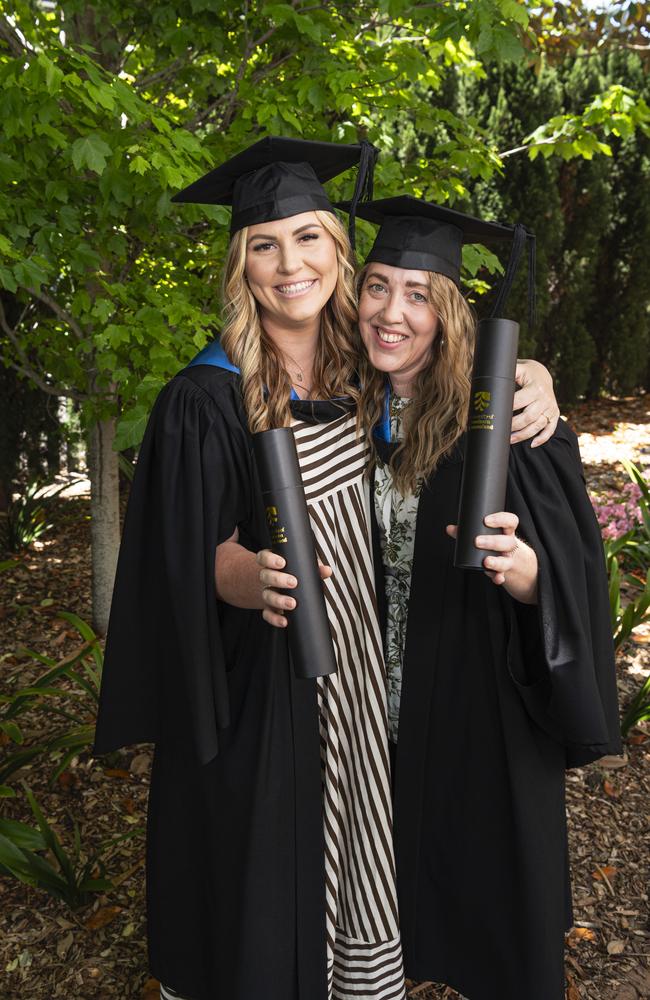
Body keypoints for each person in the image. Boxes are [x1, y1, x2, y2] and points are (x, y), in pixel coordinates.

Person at [94, 134, 560, 1000]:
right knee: (260, 907)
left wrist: (531, 375)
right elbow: (180, 554)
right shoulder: (206, 397)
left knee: (347, 894)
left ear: (337, 249)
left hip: (359, 694)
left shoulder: (366, 369)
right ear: (242, 266)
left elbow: (453, 365)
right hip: (263, 692)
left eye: (308, 237)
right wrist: (237, 574)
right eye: (264, 246)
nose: (289, 263)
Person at [260, 196, 621, 1000]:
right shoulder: (344, 405)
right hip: (367, 710)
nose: (392, 312)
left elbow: (575, 568)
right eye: (378, 286)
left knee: (491, 922)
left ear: (450, 312)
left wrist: (529, 577)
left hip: (474, 711)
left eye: (418, 295)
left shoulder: (509, 423)